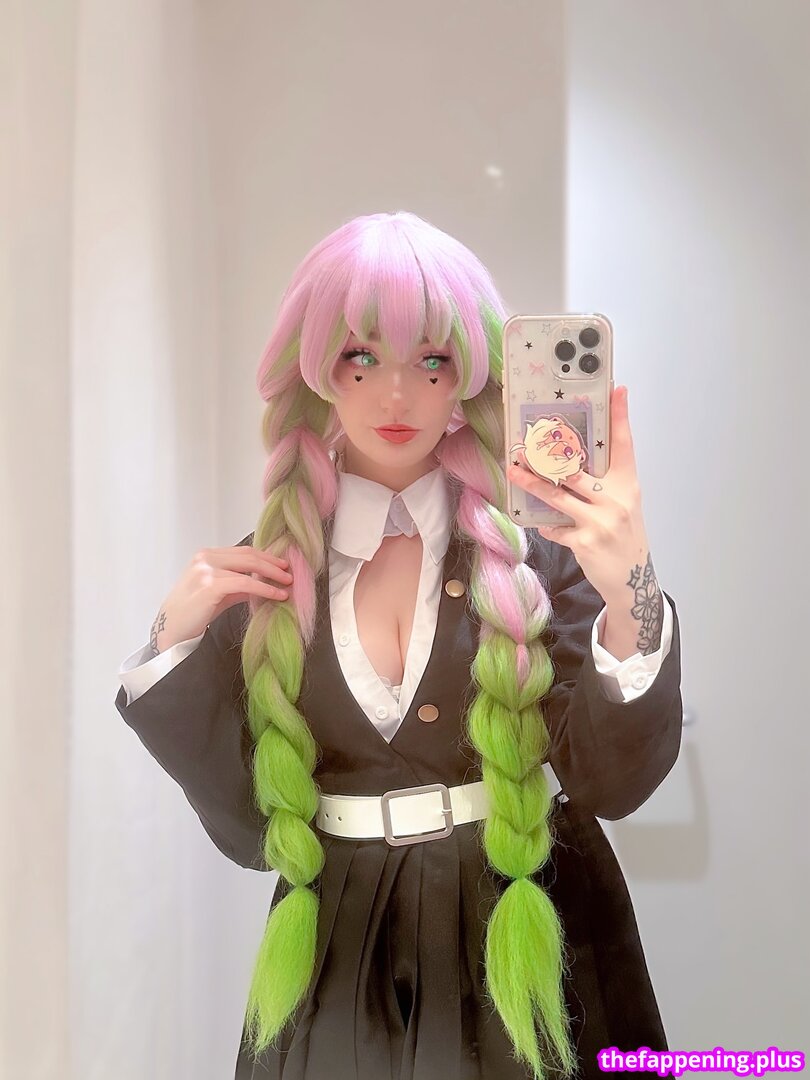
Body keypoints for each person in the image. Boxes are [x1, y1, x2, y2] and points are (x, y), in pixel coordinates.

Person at [115, 210, 683, 1080]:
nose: (395, 396)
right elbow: (248, 830)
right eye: (361, 356)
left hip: (530, 924)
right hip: (337, 948)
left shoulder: (539, 560)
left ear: (470, 375)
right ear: (316, 368)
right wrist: (172, 641)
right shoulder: (269, 577)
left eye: (432, 362)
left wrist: (630, 592)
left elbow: (615, 785)